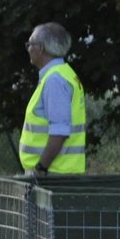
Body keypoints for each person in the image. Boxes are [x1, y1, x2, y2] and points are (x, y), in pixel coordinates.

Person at [21, 22, 87, 176]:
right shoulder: (65, 74)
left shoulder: (54, 80)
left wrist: (41, 168)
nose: (28, 49)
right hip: (59, 172)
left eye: (30, 44)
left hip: (51, 175)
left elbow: (59, 133)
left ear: (41, 48)